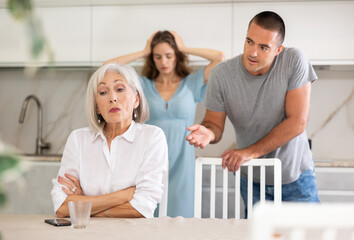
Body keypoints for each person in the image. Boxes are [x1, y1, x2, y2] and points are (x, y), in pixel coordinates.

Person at [186, 11, 320, 217]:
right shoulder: (221, 75)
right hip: (253, 182)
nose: (253, 52)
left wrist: (249, 152)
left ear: (278, 50)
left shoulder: (294, 60)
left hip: (296, 178)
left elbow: (297, 123)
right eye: (249, 41)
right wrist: (208, 133)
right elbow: (214, 124)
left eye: (264, 47)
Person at [104, 30, 224, 217]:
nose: (164, 62)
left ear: (177, 56)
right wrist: (145, 51)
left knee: (182, 218)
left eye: (169, 55)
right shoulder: (142, 84)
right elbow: (108, 67)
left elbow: (220, 57)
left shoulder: (191, 82)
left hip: (183, 160)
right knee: (149, 214)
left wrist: (183, 47)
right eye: (157, 57)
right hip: (149, 159)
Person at [51, 63, 168, 218]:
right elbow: (61, 207)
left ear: (136, 99)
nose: (112, 98)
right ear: (97, 107)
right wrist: (123, 195)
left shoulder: (152, 137)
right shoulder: (78, 139)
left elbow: (143, 208)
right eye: (103, 92)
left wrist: (84, 204)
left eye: (120, 89)